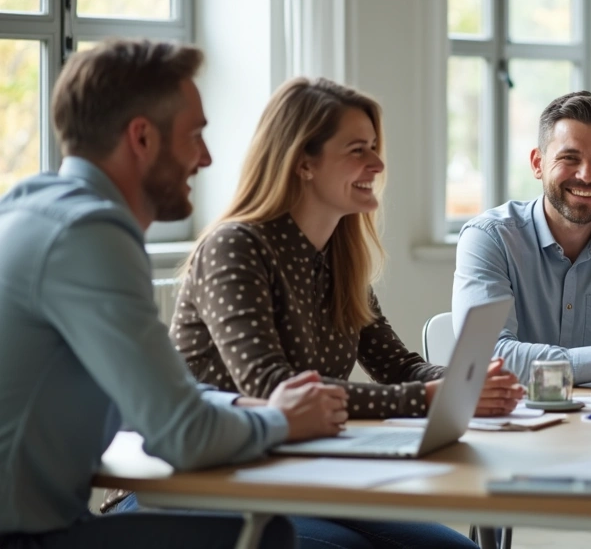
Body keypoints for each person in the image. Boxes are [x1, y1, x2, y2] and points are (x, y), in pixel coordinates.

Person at [113, 77, 524, 549]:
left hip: (298, 477)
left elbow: (399, 366)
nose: (377, 163)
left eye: (374, 147)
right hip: (197, 484)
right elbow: (273, 389)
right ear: (303, 162)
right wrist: (430, 398)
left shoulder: (339, 256)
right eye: (357, 150)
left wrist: (469, 384)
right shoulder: (235, 247)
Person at [0, 39, 349, 548]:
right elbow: (183, 436)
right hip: (24, 537)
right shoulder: (91, 235)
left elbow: (156, 393)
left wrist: (252, 407)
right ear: (141, 138)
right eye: (195, 136)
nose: (205, 158)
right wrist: (279, 420)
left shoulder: (29, 206)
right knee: (264, 536)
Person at [452, 91, 591, 385]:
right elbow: (487, 356)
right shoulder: (488, 239)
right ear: (537, 163)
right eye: (570, 158)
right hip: (513, 417)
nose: (586, 175)